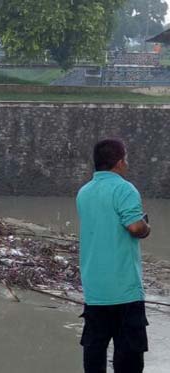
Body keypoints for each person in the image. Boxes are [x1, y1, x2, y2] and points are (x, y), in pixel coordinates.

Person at [76, 139, 151, 373]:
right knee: (128, 358)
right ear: (119, 162)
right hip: (124, 290)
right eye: (125, 159)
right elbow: (135, 228)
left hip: (95, 289)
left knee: (94, 353)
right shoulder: (124, 188)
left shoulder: (84, 192)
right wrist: (147, 226)